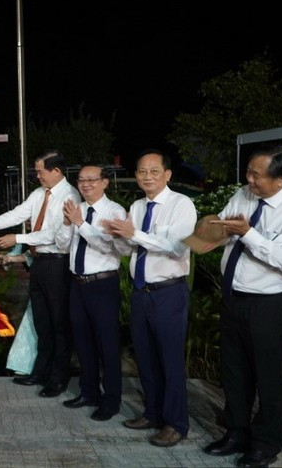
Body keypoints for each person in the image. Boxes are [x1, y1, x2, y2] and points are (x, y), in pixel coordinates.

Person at [202, 145, 282, 467]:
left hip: (271, 304)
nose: (249, 180)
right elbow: (227, 232)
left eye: (257, 175)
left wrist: (249, 234)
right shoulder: (244, 194)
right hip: (234, 297)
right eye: (248, 172)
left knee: (268, 376)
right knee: (234, 371)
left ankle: (266, 444)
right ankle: (236, 433)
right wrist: (215, 229)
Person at [103, 149, 196, 447]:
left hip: (169, 292)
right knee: (145, 358)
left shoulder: (182, 204)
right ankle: (153, 413)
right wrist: (121, 236)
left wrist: (136, 234)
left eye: (154, 171)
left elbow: (177, 248)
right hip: (141, 293)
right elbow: (133, 249)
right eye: (142, 171)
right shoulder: (137, 206)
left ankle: (176, 423)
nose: (147, 176)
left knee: (170, 361)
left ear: (167, 174)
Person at [0, 150, 80, 397]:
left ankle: (58, 379)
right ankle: (40, 372)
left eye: (40, 171)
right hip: (38, 263)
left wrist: (18, 237)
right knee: (42, 323)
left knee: (59, 324)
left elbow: (55, 235)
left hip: (58, 264)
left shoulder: (70, 196)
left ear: (56, 171)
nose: (37, 177)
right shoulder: (39, 195)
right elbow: (17, 214)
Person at [55, 164, 129, 422]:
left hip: (102, 285)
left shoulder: (114, 211)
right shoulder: (79, 209)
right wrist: (67, 223)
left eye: (92, 180)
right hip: (78, 284)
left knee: (107, 344)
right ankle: (88, 392)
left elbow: (110, 246)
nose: (85, 184)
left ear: (105, 182)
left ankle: (111, 401)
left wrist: (80, 224)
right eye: (81, 180)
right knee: (83, 341)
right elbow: (63, 245)